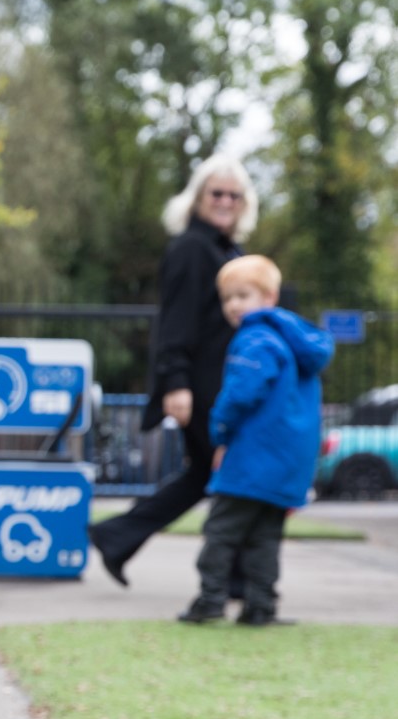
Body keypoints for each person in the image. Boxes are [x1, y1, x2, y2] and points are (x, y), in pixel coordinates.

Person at [88, 154, 257, 586]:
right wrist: (177, 383)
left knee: (207, 472)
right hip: (201, 388)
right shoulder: (191, 248)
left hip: (222, 383)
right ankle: (234, 576)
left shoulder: (226, 249)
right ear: (198, 198)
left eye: (233, 195)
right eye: (216, 193)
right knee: (230, 470)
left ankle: (116, 535)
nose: (225, 201)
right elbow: (175, 322)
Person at [178, 256, 332, 626]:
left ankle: (211, 599)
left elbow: (241, 395)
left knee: (222, 530)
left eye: (242, 295)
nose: (233, 305)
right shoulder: (295, 342)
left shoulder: (255, 338)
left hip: (253, 456)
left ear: (269, 296)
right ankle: (260, 606)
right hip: (288, 460)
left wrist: (220, 433)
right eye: (227, 298)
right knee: (264, 536)